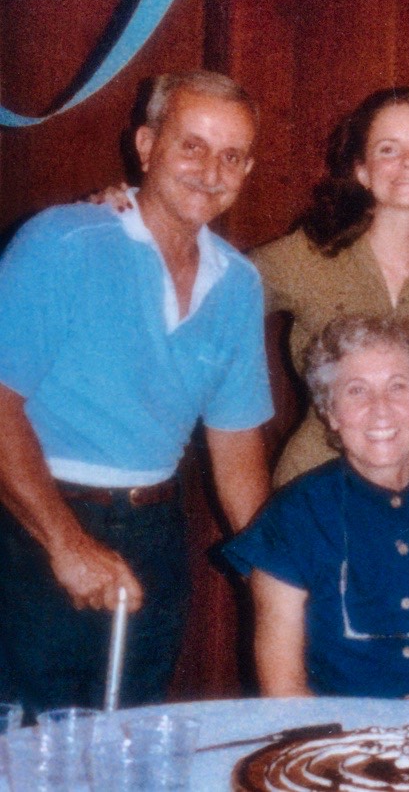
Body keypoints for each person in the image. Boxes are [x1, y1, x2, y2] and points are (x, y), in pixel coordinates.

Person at [0, 71, 273, 717]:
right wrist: (65, 543)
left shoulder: (238, 284)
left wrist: (272, 576)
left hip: (156, 534)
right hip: (35, 522)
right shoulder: (62, 241)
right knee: (29, 748)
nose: (211, 170)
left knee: (131, 740)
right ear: (146, 147)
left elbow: (235, 454)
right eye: (193, 146)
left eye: (231, 155)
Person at [224, 316, 409, 705]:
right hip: (338, 745)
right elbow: (283, 688)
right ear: (331, 413)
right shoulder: (292, 517)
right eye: (356, 391)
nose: (380, 409)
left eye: (398, 387)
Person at [251, 87, 409, 486]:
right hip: (315, 488)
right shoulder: (307, 255)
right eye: (389, 149)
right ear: (361, 170)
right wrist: (133, 212)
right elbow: (206, 289)